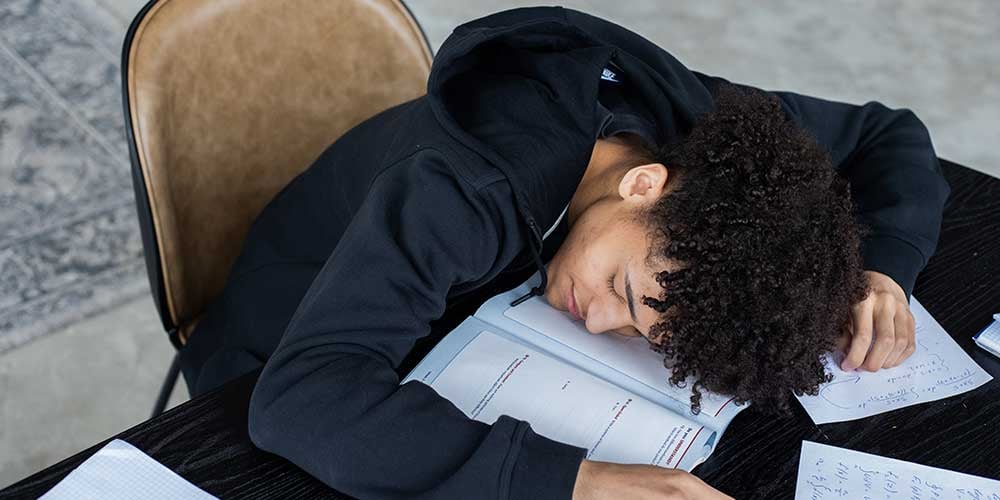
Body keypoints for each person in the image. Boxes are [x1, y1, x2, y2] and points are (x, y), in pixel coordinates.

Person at [176, 6, 950, 499]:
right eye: (627, 290)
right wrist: (576, 481)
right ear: (645, 184)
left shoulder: (694, 137)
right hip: (272, 352)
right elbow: (302, 401)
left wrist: (882, 266)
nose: (597, 320)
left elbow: (888, 137)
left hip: (457, 332)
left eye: (641, 336)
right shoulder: (462, 192)